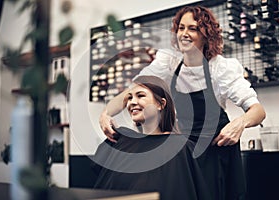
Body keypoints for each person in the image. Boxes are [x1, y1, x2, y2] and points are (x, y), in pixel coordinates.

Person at [99, 5, 266, 200]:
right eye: (181, 28)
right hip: (184, 153)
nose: (184, 34)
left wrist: (239, 123)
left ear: (206, 35)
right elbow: (133, 90)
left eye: (193, 28)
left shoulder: (221, 68)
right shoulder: (169, 62)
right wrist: (106, 113)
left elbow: (258, 110)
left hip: (214, 152)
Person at [92, 75, 211, 200]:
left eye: (141, 95)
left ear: (161, 104)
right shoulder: (121, 141)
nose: (132, 102)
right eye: (130, 97)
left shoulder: (180, 147)